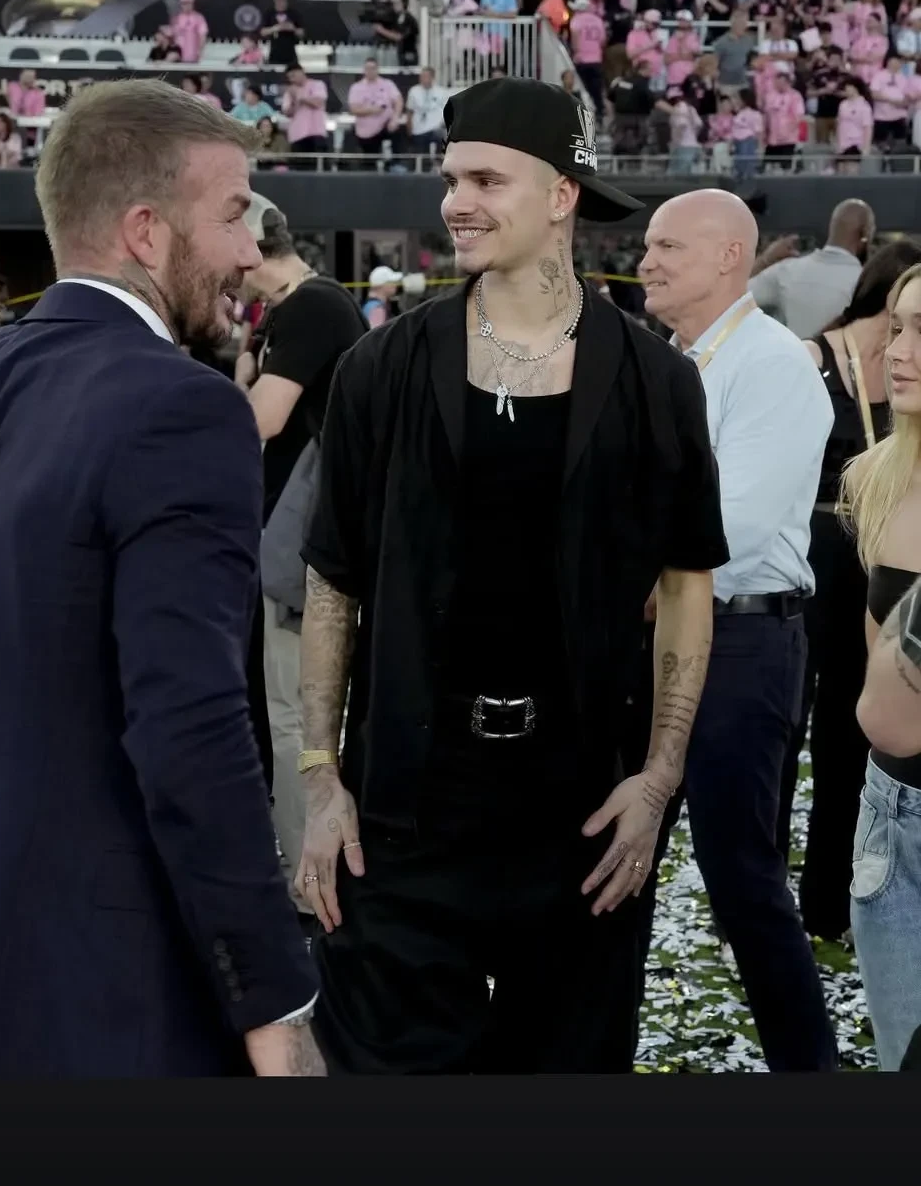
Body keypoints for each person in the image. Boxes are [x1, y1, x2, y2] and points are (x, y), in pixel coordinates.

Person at [0, 81, 323, 1078]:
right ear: (146, 230)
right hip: (98, 1010)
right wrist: (274, 1001)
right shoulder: (185, 409)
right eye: (234, 213)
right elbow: (189, 726)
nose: (250, 250)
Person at [296, 78, 727, 1074]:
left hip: (580, 808)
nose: (457, 202)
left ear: (563, 194)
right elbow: (332, 581)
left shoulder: (658, 382)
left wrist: (658, 778)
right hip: (406, 804)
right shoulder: (381, 369)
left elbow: (687, 585)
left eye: (487, 180)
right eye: (451, 179)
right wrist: (321, 779)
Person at [639, 190, 837, 1071]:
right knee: (620, 855)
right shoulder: (682, 362)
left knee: (742, 880)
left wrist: (625, 574)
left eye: (666, 246)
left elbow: (736, 527)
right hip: (668, 635)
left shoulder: (773, 364)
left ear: (729, 256)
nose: (645, 261)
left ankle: (809, 1071)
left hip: (742, 643)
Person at [775, 243, 921, 942]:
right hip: (818, 555)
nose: (899, 348)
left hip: (867, 554)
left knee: (841, 724)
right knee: (803, 724)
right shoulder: (816, 363)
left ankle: (825, 894)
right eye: (896, 324)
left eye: (917, 328)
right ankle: (791, 887)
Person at [232, 200, 367, 917]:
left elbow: (260, 418)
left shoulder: (314, 307)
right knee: (277, 712)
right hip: (289, 541)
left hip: (303, 549)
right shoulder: (292, 309)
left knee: (292, 718)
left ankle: (306, 884)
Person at [841, 263, 921, 1067]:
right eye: (896, 327)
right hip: (894, 817)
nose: (896, 350)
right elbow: (878, 687)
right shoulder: (875, 478)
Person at [749, 199, 876, 339]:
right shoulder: (867, 284)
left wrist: (766, 259)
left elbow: (737, 295)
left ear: (832, 228)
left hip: (793, 352)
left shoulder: (787, 270)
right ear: (866, 233)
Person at [346, 58, 403, 160]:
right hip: (366, 132)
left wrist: (395, 118)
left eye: (373, 68)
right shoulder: (356, 87)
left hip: (386, 126)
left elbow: (398, 100)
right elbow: (354, 110)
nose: (370, 71)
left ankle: (394, 163)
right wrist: (372, 110)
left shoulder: (388, 84)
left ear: (377, 69)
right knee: (370, 159)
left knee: (396, 133)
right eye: (368, 68)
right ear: (364, 70)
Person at [404, 66, 449, 158]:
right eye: (421, 76)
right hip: (419, 128)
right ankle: (424, 163)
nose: (422, 79)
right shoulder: (414, 91)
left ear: (432, 77)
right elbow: (409, 111)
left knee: (443, 136)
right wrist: (409, 128)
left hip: (436, 127)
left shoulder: (442, 92)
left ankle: (439, 161)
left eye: (425, 76)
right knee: (422, 156)